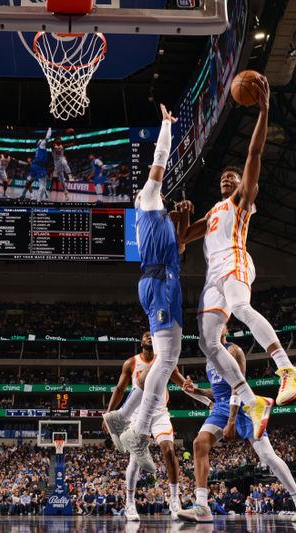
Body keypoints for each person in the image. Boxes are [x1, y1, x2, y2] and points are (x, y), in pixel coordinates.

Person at [180, 73, 296, 438]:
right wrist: (184, 214)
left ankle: (286, 368)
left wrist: (264, 110)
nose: (226, 178)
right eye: (223, 177)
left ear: (241, 186)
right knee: (207, 341)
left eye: (232, 177)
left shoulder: (240, 203)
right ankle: (251, 399)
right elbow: (181, 241)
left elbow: (254, 153)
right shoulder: (212, 213)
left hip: (236, 259)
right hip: (212, 278)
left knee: (240, 308)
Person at [109, 104, 193, 475]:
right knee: (168, 358)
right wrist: (166, 125)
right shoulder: (148, 199)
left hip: (163, 282)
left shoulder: (159, 222)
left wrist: (187, 217)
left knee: (165, 359)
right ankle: (136, 431)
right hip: (159, 283)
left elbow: (182, 245)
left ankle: (123, 418)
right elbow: (159, 160)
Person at [176, 331, 296, 523]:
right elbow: (217, 390)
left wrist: (231, 420)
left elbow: (237, 387)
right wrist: (198, 390)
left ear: (224, 329)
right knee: (199, 443)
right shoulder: (210, 357)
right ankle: (202, 507)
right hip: (220, 407)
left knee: (267, 456)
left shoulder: (234, 351)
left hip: (242, 406)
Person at [102, 331, 206, 521]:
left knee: (168, 450)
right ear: (141, 341)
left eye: (152, 335)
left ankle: (175, 499)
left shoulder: (165, 361)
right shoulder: (131, 363)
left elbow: (185, 386)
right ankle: (130, 502)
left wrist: (207, 401)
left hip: (159, 414)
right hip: (137, 414)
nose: (149, 337)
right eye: (145, 335)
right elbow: (118, 389)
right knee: (135, 458)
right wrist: (108, 412)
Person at [21, 128, 51, 201]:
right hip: (39, 167)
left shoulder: (37, 148)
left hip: (34, 166)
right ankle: (38, 201)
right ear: (40, 142)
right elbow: (48, 136)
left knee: (28, 182)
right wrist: (50, 128)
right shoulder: (42, 145)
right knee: (42, 184)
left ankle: (22, 195)